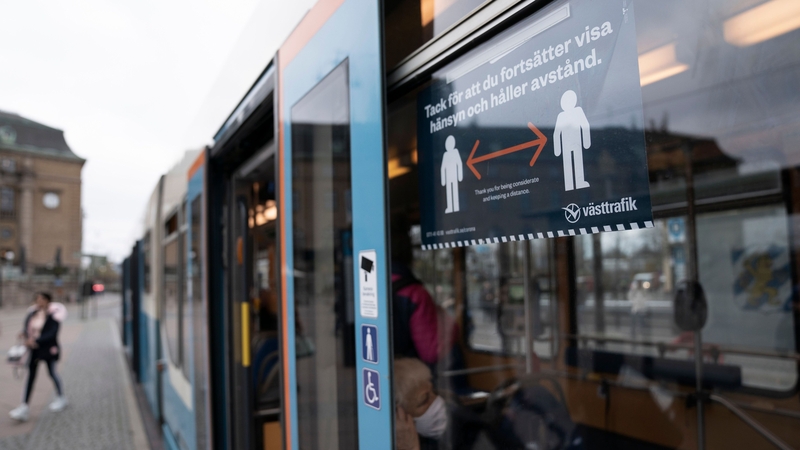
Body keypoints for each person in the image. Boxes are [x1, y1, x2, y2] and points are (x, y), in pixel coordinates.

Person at [394, 358, 485, 450]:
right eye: (424, 401)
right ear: (399, 417)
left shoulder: (468, 428)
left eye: (433, 391)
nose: (438, 401)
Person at [9, 292, 68, 421]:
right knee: (31, 377)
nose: (39, 302)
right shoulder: (32, 313)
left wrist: (36, 340)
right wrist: (24, 334)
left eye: (42, 299)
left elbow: (52, 333)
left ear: (48, 300)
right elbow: (27, 328)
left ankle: (61, 397)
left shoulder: (54, 315)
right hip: (34, 350)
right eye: (37, 299)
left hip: (48, 350)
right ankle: (24, 406)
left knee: (52, 373)